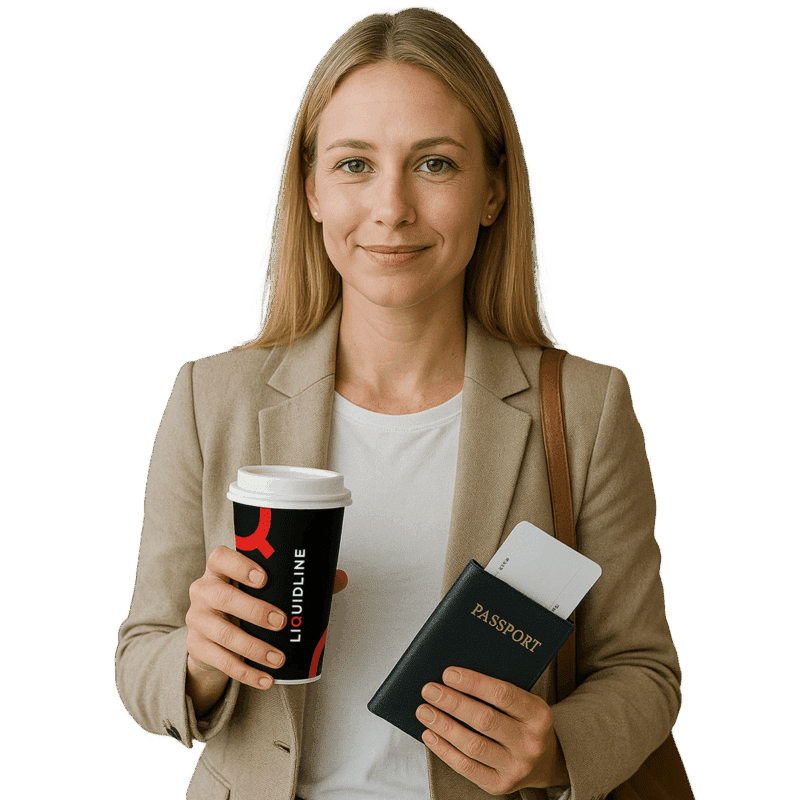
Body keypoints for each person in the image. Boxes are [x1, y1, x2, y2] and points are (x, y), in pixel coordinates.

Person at [115, 6, 683, 800]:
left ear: (493, 192)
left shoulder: (587, 408)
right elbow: (142, 656)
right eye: (354, 164)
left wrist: (554, 751)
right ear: (311, 189)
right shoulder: (212, 398)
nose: (392, 208)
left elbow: (644, 670)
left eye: (435, 164)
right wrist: (200, 660)